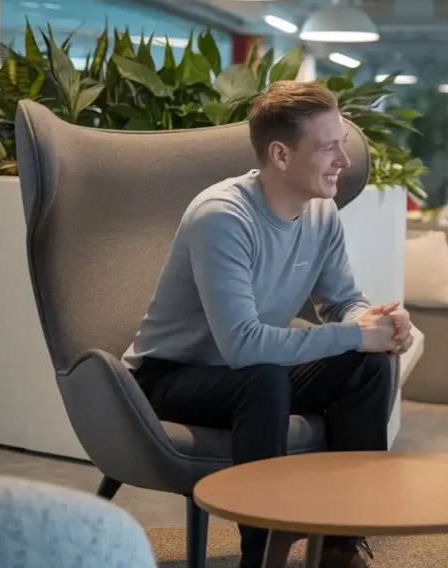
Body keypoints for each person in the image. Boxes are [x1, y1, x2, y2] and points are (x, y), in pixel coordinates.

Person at [123, 80, 411, 568]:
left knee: (369, 368)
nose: (343, 159)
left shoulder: (322, 212)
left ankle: (340, 545)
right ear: (280, 154)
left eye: (342, 142)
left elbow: (341, 299)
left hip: (253, 373)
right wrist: (358, 335)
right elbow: (242, 346)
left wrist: (373, 322)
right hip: (170, 376)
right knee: (262, 376)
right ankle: (262, 553)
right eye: (328, 147)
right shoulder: (222, 217)